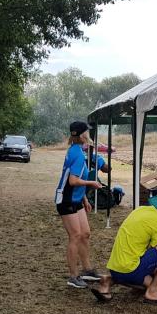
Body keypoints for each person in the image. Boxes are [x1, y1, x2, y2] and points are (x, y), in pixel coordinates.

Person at [91, 204, 157, 304]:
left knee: (147, 283)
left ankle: (110, 280)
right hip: (131, 270)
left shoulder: (142, 209)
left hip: (114, 269)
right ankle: (153, 291)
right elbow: (156, 261)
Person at [56, 121, 103, 289]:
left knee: (85, 234)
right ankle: (73, 276)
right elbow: (73, 181)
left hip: (76, 199)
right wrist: (92, 183)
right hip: (66, 200)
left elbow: (76, 179)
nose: (89, 135)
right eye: (87, 132)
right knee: (75, 236)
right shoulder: (76, 153)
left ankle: (88, 270)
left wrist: (84, 199)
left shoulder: (77, 150)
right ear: (83, 135)